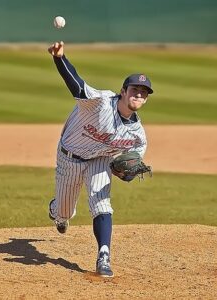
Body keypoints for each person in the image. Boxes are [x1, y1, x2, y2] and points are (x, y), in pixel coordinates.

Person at [47, 41, 154, 277]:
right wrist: (59, 58)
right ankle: (57, 211)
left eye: (143, 93)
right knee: (64, 212)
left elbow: (130, 165)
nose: (138, 94)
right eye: (135, 89)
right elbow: (76, 86)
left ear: (146, 100)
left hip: (99, 160)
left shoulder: (138, 135)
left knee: (102, 204)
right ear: (123, 91)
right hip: (70, 157)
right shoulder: (101, 102)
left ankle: (103, 255)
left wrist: (126, 172)